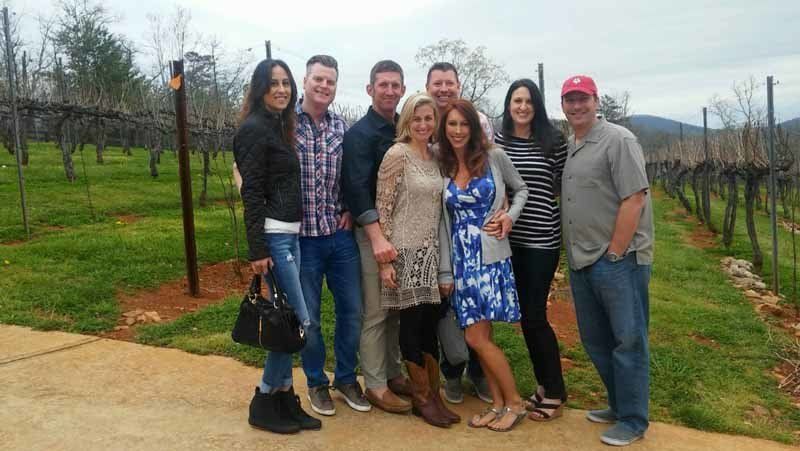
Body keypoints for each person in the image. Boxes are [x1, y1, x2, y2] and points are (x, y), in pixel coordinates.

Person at [560, 75, 654, 446]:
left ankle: (633, 420)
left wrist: (616, 251)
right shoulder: (573, 144)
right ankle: (618, 405)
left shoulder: (618, 140)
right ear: (563, 106)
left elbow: (635, 198)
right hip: (582, 259)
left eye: (583, 99)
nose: (577, 106)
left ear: (596, 101)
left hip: (618, 260)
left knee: (628, 340)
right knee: (596, 340)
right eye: (570, 100)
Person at [233, 59, 321, 434]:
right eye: (274, 83)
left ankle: (284, 398)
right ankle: (266, 398)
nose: (282, 89)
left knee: (288, 321)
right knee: (299, 321)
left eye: (286, 83)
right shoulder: (254, 130)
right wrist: (258, 250)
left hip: (290, 235)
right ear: (260, 88)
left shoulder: (277, 126)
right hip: (274, 237)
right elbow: (251, 192)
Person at [438, 99, 530, 432]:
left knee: (477, 339)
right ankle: (498, 403)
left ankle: (515, 402)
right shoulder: (443, 163)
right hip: (460, 259)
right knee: (482, 336)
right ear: (444, 129)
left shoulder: (494, 156)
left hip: (489, 257)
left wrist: (509, 216)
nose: (458, 131)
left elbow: (521, 190)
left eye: (464, 124)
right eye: (452, 124)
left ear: (474, 129)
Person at [290, 55, 370, 416]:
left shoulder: (343, 129)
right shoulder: (284, 125)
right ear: (304, 81)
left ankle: (346, 377)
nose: (324, 86)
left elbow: (355, 178)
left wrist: (352, 209)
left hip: (339, 238)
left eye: (330, 82)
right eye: (318, 79)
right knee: (309, 318)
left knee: (353, 311)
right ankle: (316, 382)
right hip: (302, 238)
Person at [375, 92, 460, 427]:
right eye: (417, 118)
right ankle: (422, 398)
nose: (423, 124)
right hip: (405, 252)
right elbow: (382, 208)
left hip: (431, 253)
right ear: (406, 121)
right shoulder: (397, 154)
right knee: (411, 327)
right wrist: (384, 262)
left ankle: (434, 394)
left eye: (428, 118)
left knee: (429, 326)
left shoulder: (436, 156)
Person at [493, 79, 568, 421]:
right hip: (508, 241)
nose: (522, 106)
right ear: (509, 105)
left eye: (528, 101)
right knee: (526, 317)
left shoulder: (552, 141)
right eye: (516, 100)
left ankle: (555, 390)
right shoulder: (499, 141)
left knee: (535, 316)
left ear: (536, 106)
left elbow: (565, 188)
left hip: (541, 240)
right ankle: (543, 385)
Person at [342, 60, 413, 414]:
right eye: (382, 85)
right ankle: (375, 384)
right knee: (376, 312)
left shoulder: (404, 128)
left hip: (401, 233)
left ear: (402, 89)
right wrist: (377, 238)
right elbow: (355, 190)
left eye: (395, 85)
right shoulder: (359, 135)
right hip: (374, 236)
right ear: (370, 89)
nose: (389, 90)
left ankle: (393, 372)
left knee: (395, 310)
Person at [425, 61, 492, 405]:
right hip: (440, 227)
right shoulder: (423, 121)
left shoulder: (478, 121)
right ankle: (452, 372)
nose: (443, 89)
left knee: (476, 306)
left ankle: (479, 371)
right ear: (428, 86)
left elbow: (491, 171)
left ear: (458, 85)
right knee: (446, 307)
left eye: (449, 83)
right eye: (437, 83)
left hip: (475, 235)